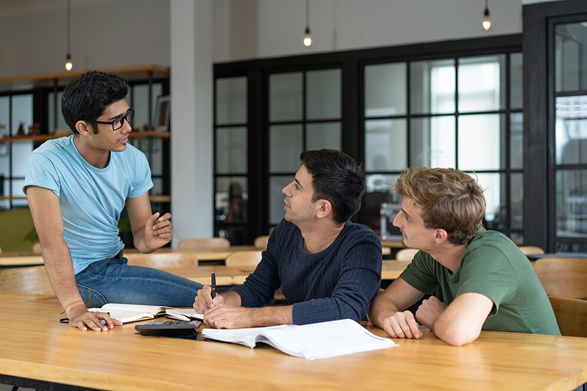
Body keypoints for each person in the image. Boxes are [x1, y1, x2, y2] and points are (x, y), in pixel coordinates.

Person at [24, 71, 203, 332]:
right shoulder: (46, 161)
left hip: (114, 267)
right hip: (80, 277)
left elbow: (141, 235)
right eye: (116, 121)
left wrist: (148, 239)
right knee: (208, 298)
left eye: (127, 116)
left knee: (207, 300)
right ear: (84, 127)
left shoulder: (134, 160)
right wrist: (74, 308)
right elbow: (52, 243)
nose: (128, 128)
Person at [368, 167, 560, 346]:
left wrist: (436, 318)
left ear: (439, 236)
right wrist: (389, 318)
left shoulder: (491, 254)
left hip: (546, 373)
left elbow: (458, 331)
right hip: (491, 365)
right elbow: (382, 303)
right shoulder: (432, 255)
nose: (395, 222)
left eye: (406, 216)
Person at [194, 149, 382, 328]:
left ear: (323, 208)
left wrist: (251, 317)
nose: (286, 190)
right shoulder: (287, 231)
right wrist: (221, 301)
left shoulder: (362, 244)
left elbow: (346, 309)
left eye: (297, 187)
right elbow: (257, 289)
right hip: (295, 347)